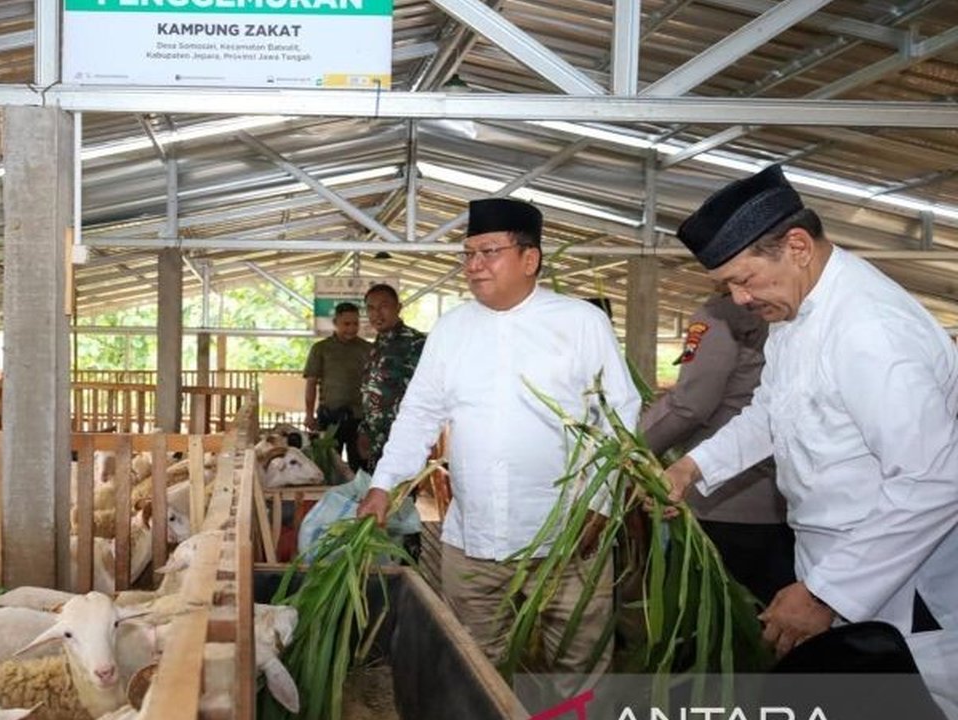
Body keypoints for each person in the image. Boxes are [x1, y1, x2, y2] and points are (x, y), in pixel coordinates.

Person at [662, 164, 958, 716]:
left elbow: (933, 480)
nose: (739, 298)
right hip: (835, 557)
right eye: (728, 286)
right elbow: (771, 411)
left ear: (796, 246)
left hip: (898, 575)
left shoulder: (870, 330)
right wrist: (690, 468)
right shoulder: (797, 311)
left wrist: (827, 592)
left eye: (744, 279)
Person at [357, 197, 641, 678]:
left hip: (570, 540)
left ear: (530, 259)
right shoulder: (452, 329)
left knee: (578, 666)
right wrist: (384, 484)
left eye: (489, 252)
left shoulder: (580, 323)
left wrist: (602, 502)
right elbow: (419, 414)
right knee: (475, 669)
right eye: (468, 254)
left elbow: (618, 417)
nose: (473, 265)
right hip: (475, 543)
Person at [639, 290, 794, 605]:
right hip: (779, 501)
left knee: (705, 614)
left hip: (721, 502)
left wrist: (630, 446)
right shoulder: (785, 310)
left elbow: (689, 405)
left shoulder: (720, 314)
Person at [357, 283, 427, 472]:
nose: (377, 314)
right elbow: (370, 391)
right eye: (371, 308)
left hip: (402, 441)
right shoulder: (377, 345)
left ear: (398, 307)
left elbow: (426, 394)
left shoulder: (416, 343)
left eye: (384, 306)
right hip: (376, 442)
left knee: (401, 491)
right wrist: (364, 430)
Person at [304, 301, 373, 472]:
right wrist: (309, 414)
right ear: (335, 323)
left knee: (360, 467)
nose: (351, 328)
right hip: (330, 418)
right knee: (328, 465)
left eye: (355, 323)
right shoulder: (321, 349)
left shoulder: (368, 349)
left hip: (360, 418)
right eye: (346, 324)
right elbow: (311, 383)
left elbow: (374, 385)